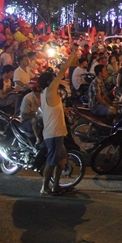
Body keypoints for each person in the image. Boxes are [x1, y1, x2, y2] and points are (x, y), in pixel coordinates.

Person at [39, 48, 79, 195]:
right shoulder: (49, 91)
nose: (57, 79)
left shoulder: (47, 94)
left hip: (58, 132)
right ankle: (45, 187)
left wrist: (65, 111)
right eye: (53, 78)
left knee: (61, 161)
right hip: (54, 133)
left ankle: (56, 186)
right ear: (49, 82)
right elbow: (63, 70)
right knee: (52, 161)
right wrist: (73, 56)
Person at [19, 77, 43, 144]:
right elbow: (24, 116)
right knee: (35, 120)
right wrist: (36, 115)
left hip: (42, 118)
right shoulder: (28, 98)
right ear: (37, 88)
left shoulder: (44, 96)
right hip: (27, 122)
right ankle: (38, 139)